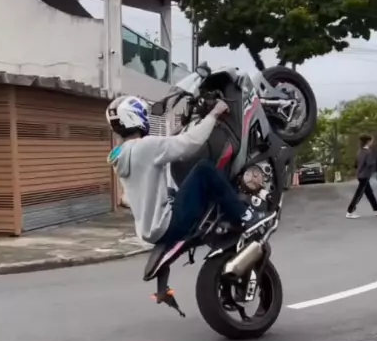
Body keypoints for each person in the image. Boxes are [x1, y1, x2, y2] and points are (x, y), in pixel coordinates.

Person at [105, 94, 266, 246]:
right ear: (135, 117)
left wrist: (183, 123)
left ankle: (221, 220)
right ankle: (246, 216)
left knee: (178, 186)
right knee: (204, 169)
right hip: (168, 226)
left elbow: (170, 143)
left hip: (149, 232)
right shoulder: (145, 147)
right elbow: (190, 143)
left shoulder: (121, 156)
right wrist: (214, 114)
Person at [346, 135, 377, 219]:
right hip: (364, 175)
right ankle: (350, 211)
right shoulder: (368, 152)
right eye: (371, 141)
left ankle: (376, 210)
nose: (372, 142)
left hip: (360, 175)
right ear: (368, 141)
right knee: (359, 194)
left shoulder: (359, 152)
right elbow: (370, 163)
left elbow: (355, 165)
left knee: (369, 193)